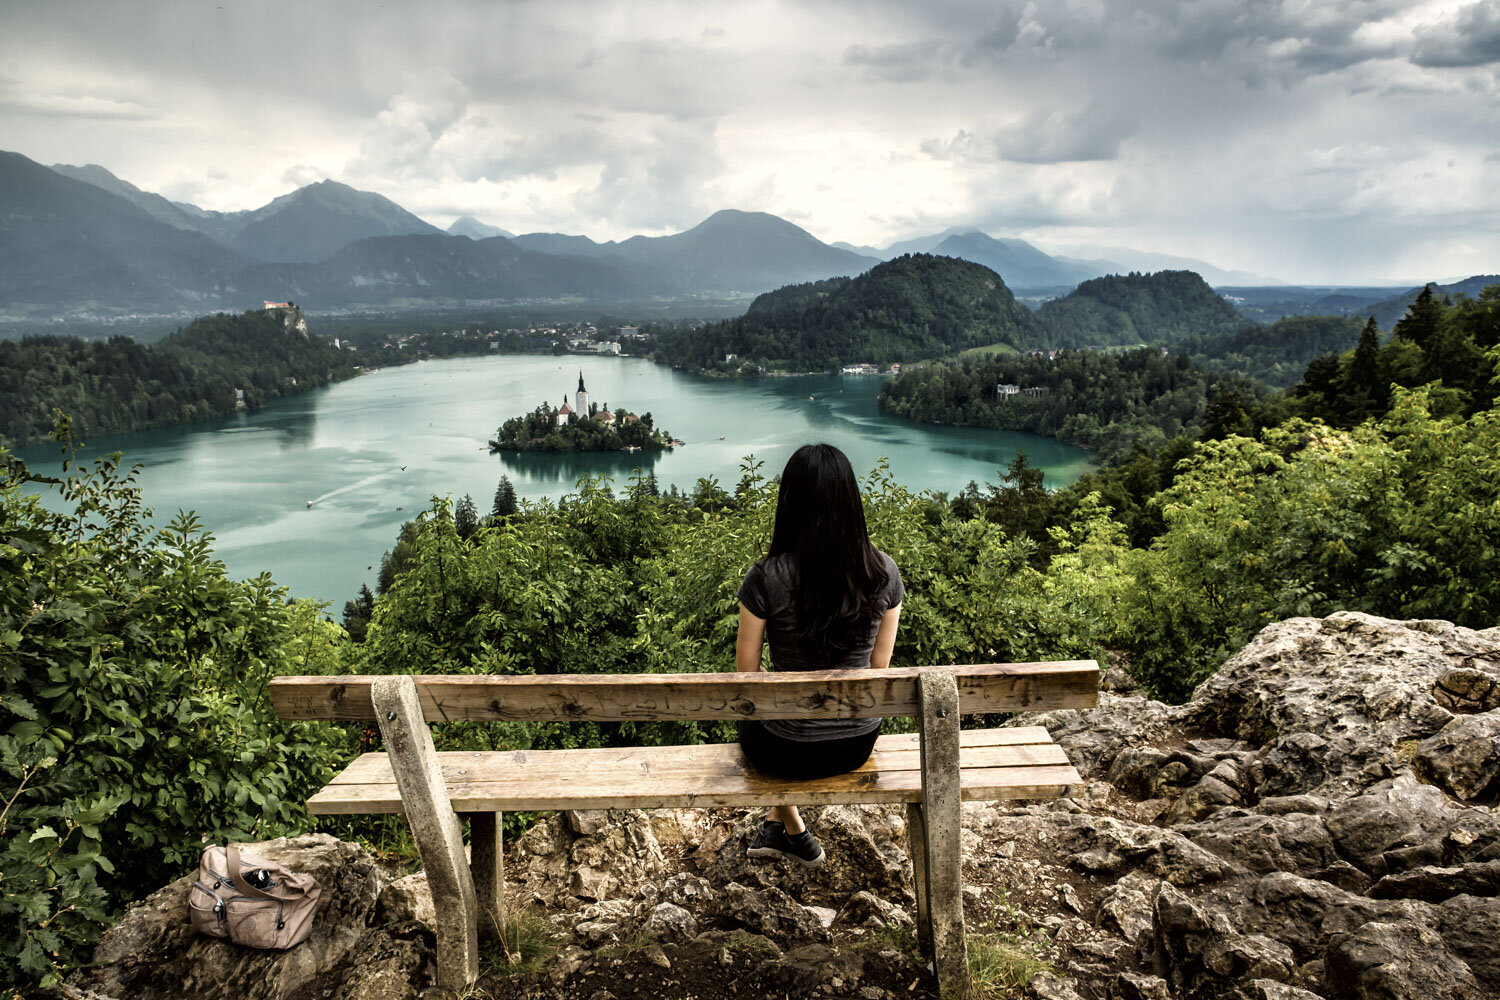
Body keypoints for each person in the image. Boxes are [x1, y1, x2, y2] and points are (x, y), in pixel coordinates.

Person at [735, 443, 904, 866]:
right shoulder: (884, 573)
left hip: (781, 748)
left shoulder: (764, 578)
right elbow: (879, 667)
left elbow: (747, 678)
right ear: (851, 501)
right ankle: (789, 829)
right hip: (855, 743)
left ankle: (790, 825)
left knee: (754, 717)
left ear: (789, 502)